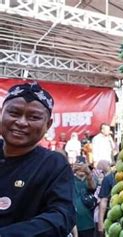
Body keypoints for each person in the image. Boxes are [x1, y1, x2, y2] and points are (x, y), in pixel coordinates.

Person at [0, 82, 75, 236]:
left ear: (48, 125)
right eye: (14, 113)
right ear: (1, 113)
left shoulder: (54, 165)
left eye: (33, 117)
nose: (21, 122)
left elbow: (62, 216)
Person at [72, 162, 97, 237]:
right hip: (74, 225)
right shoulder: (71, 179)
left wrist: (88, 172)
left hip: (88, 224)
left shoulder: (89, 179)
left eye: (83, 166)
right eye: (78, 166)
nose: (81, 168)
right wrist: (70, 171)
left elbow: (93, 187)